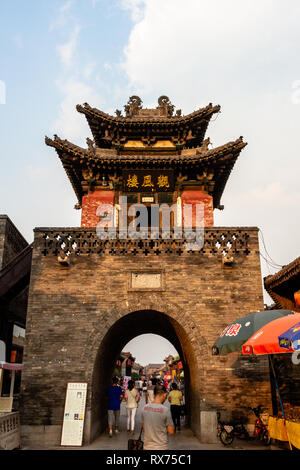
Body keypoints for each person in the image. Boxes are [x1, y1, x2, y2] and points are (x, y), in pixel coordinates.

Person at [141, 384, 175, 450]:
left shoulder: (144, 408)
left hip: (147, 447)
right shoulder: (165, 410)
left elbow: (144, 427)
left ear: (153, 395)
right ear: (165, 395)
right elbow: (171, 431)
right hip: (161, 447)